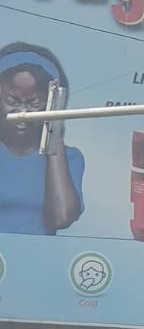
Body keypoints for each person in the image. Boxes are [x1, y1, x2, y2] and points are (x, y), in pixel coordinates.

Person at [0, 44, 84, 235]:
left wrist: (54, 132)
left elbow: (61, 218)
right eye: (12, 101)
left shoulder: (70, 157)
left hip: (38, 260)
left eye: (34, 104)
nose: (23, 113)